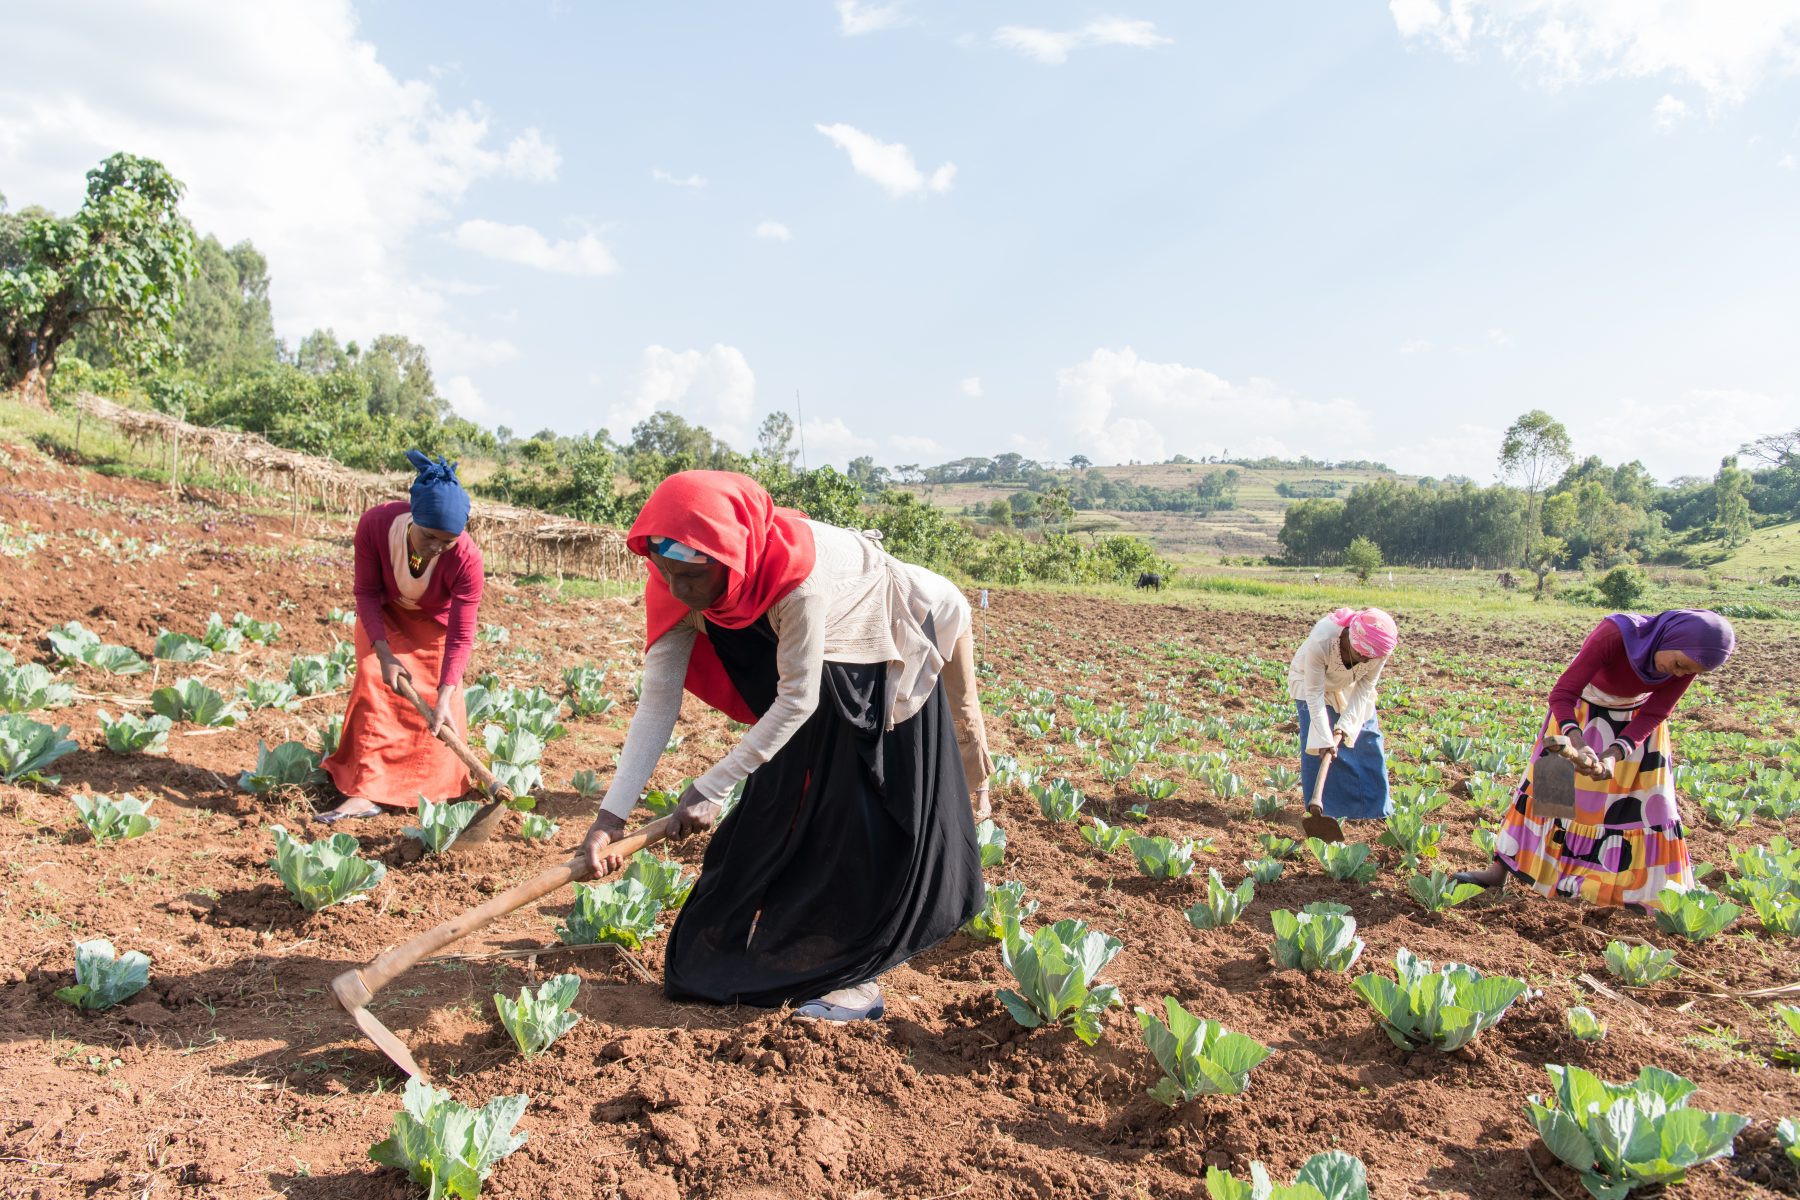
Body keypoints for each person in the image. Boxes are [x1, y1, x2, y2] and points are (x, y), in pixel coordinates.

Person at [577, 470, 992, 1021]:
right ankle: (775, 945)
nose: (679, 591)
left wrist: (711, 786)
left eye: (692, 578)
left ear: (732, 558)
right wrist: (610, 815)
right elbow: (657, 706)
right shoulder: (680, 579)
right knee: (783, 804)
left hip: (903, 626)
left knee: (860, 810)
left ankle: (857, 977)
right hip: (823, 669)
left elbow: (797, 701)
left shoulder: (798, 582)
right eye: (666, 573)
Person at [1455, 610, 1737, 908]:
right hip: (1575, 717)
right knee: (1550, 796)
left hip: (1635, 730)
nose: (1679, 673)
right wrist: (1578, 742)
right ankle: (1500, 871)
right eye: (1679, 664)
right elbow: (1562, 693)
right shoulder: (1615, 634)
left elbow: (1656, 712)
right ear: (1671, 637)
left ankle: (1641, 895)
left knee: (1642, 809)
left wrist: (1614, 755)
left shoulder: (1689, 663)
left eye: (1689, 671)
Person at [318, 452, 484, 820]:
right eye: (429, 537)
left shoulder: (467, 559)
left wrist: (445, 692)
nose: (437, 547)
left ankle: (431, 790)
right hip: (383, 616)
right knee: (375, 686)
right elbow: (365, 592)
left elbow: (461, 633)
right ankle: (365, 790)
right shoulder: (376, 526)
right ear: (414, 519)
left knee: (445, 708)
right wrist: (385, 654)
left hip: (432, 625)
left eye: (448, 541)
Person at [1287, 607, 1399, 825]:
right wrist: (1325, 737)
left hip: (1351, 685)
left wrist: (1345, 727)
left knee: (1367, 737)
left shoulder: (1379, 649)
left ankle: (1375, 811)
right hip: (1310, 683)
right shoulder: (1323, 639)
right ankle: (1328, 812)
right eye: (1361, 655)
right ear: (1349, 639)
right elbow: (1314, 693)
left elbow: (1365, 687)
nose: (1365, 661)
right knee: (1318, 743)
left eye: (1370, 658)